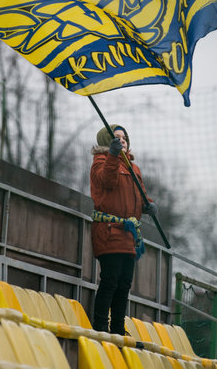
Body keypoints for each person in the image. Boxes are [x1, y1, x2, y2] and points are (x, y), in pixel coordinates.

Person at [89, 124, 157, 335]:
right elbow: (108, 182)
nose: (122, 140)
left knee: (124, 283)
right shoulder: (100, 162)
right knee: (110, 280)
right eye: (116, 137)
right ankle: (101, 326)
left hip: (128, 233)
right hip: (109, 230)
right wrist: (112, 155)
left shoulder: (133, 168)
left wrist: (148, 206)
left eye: (124, 137)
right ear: (106, 142)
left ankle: (118, 327)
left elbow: (139, 194)